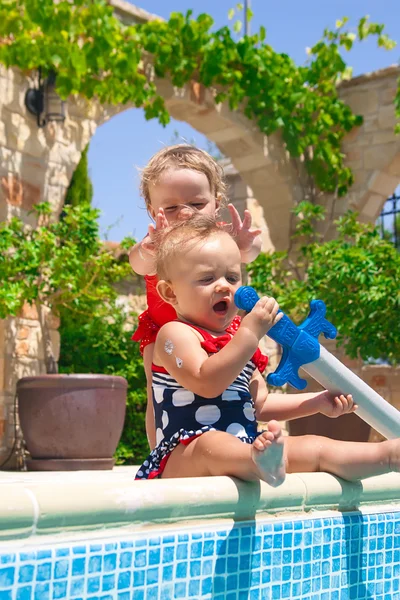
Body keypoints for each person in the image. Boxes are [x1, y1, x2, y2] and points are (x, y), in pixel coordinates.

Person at [135, 215, 400, 485]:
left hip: (248, 447)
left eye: (232, 276)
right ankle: (257, 462)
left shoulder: (237, 342)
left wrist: (315, 403)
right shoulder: (175, 334)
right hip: (182, 456)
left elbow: (259, 404)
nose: (224, 285)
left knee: (313, 446)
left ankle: (388, 455)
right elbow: (206, 382)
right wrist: (249, 334)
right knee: (209, 445)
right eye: (206, 278)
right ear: (171, 294)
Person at [129, 144, 263, 450]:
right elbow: (136, 263)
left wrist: (243, 244)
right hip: (165, 330)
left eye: (196, 203)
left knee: (242, 379)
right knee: (155, 389)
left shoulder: (217, 238)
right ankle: (159, 450)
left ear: (215, 202)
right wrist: (149, 248)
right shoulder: (158, 241)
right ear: (153, 211)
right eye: (171, 208)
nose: (185, 213)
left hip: (214, 324)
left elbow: (250, 253)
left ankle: (244, 437)